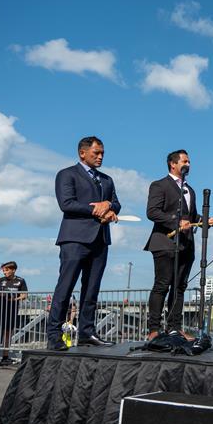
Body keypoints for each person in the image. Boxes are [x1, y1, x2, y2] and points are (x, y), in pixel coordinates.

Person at [47, 136, 121, 350]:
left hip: (100, 240)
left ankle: (87, 332)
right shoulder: (66, 174)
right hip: (74, 239)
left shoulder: (107, 179)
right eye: (96, 153)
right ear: (82, 153)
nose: (100, 157)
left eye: (102, 154)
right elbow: (66, 203)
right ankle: (54, 336)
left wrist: (108, 205)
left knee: (92, 289)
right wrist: (96, 210)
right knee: (65, 288)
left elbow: (117, 203)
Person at [144, 150, 213, 341]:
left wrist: (206, 220)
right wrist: (175, 221)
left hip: (186, 245)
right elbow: (152, 212)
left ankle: (175, 328)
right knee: (162, 285)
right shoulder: (159, 185)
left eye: (189, 161)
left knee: (179, 287)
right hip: (164, 243)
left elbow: (192, 217)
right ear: (173, 164)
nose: (189, 164)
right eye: (185, 161)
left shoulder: (190, 190)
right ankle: (154, 329)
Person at [0, 261, 27, 364]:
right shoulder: (1, 280)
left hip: (12, 310)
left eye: (6, 270)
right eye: (3, 270)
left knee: (7, 333)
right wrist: (1, 295)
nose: (4, 272)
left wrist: (15, 299)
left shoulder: (21, 281)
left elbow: (24, 295)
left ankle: (5, 357)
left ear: (13, 270)